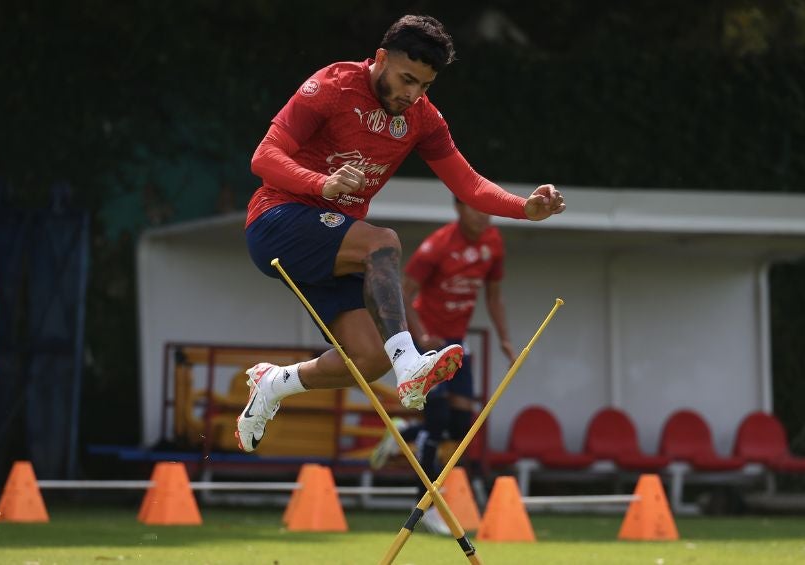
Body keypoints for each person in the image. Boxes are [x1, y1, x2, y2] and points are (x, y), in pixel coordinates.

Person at [237, 14, 565, 455]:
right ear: (379, 59)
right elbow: (264, 156)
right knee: (383, 241)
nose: (412, 94)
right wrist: (323, 184)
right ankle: (409, 363)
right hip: (277, 221)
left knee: (368, 360)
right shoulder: (332, 86)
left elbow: (467, 184)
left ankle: (275, 384)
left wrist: (524, 208)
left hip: (335, 243)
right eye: (406, 79)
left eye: (424, 86)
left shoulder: (423, 119)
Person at [369, 197, 516, 534]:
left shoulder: (493, 243)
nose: (483, 216)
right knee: (436, 420)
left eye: (488, 210)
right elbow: (402, 291)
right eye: (475, 208)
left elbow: (494, 296)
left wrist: (505, 337)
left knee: (461, 427)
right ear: (459, 209)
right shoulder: (438, 245)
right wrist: (421, 333)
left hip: (456, 344)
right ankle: (427, 504)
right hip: (426, 344)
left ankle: (405, 433)